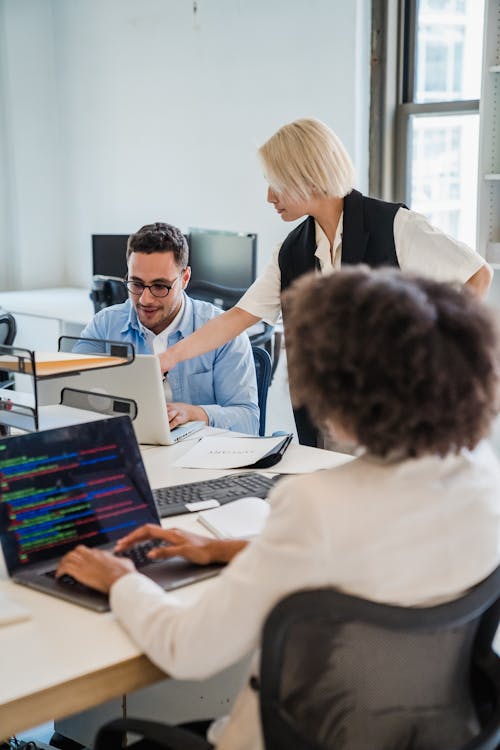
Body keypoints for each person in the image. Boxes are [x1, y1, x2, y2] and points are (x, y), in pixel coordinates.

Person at [58, 267, 500, 750]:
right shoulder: (481, 473)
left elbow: (188, 651)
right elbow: (384, 556)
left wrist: (120, 579)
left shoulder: (318, 503)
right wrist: (231, 549)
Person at [156, 118, 493, 446]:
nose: (269, 197)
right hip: (331, 415)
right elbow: (238, 317)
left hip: (396, 411)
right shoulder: (292, 250)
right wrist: (169, 358)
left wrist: (436, 360)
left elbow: (477, 274)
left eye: (276, 183)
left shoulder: (395, 226)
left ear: (307, 178)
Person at [77, 222, 259, 435]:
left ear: (185, 278)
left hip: (198, 458)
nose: (145, 299)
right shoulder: (104, 326)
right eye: (136, 284)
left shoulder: (224, 331)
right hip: (130, 448)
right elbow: (73, 397)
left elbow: (249, 421)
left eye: (160, 286)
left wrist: (194, 414)